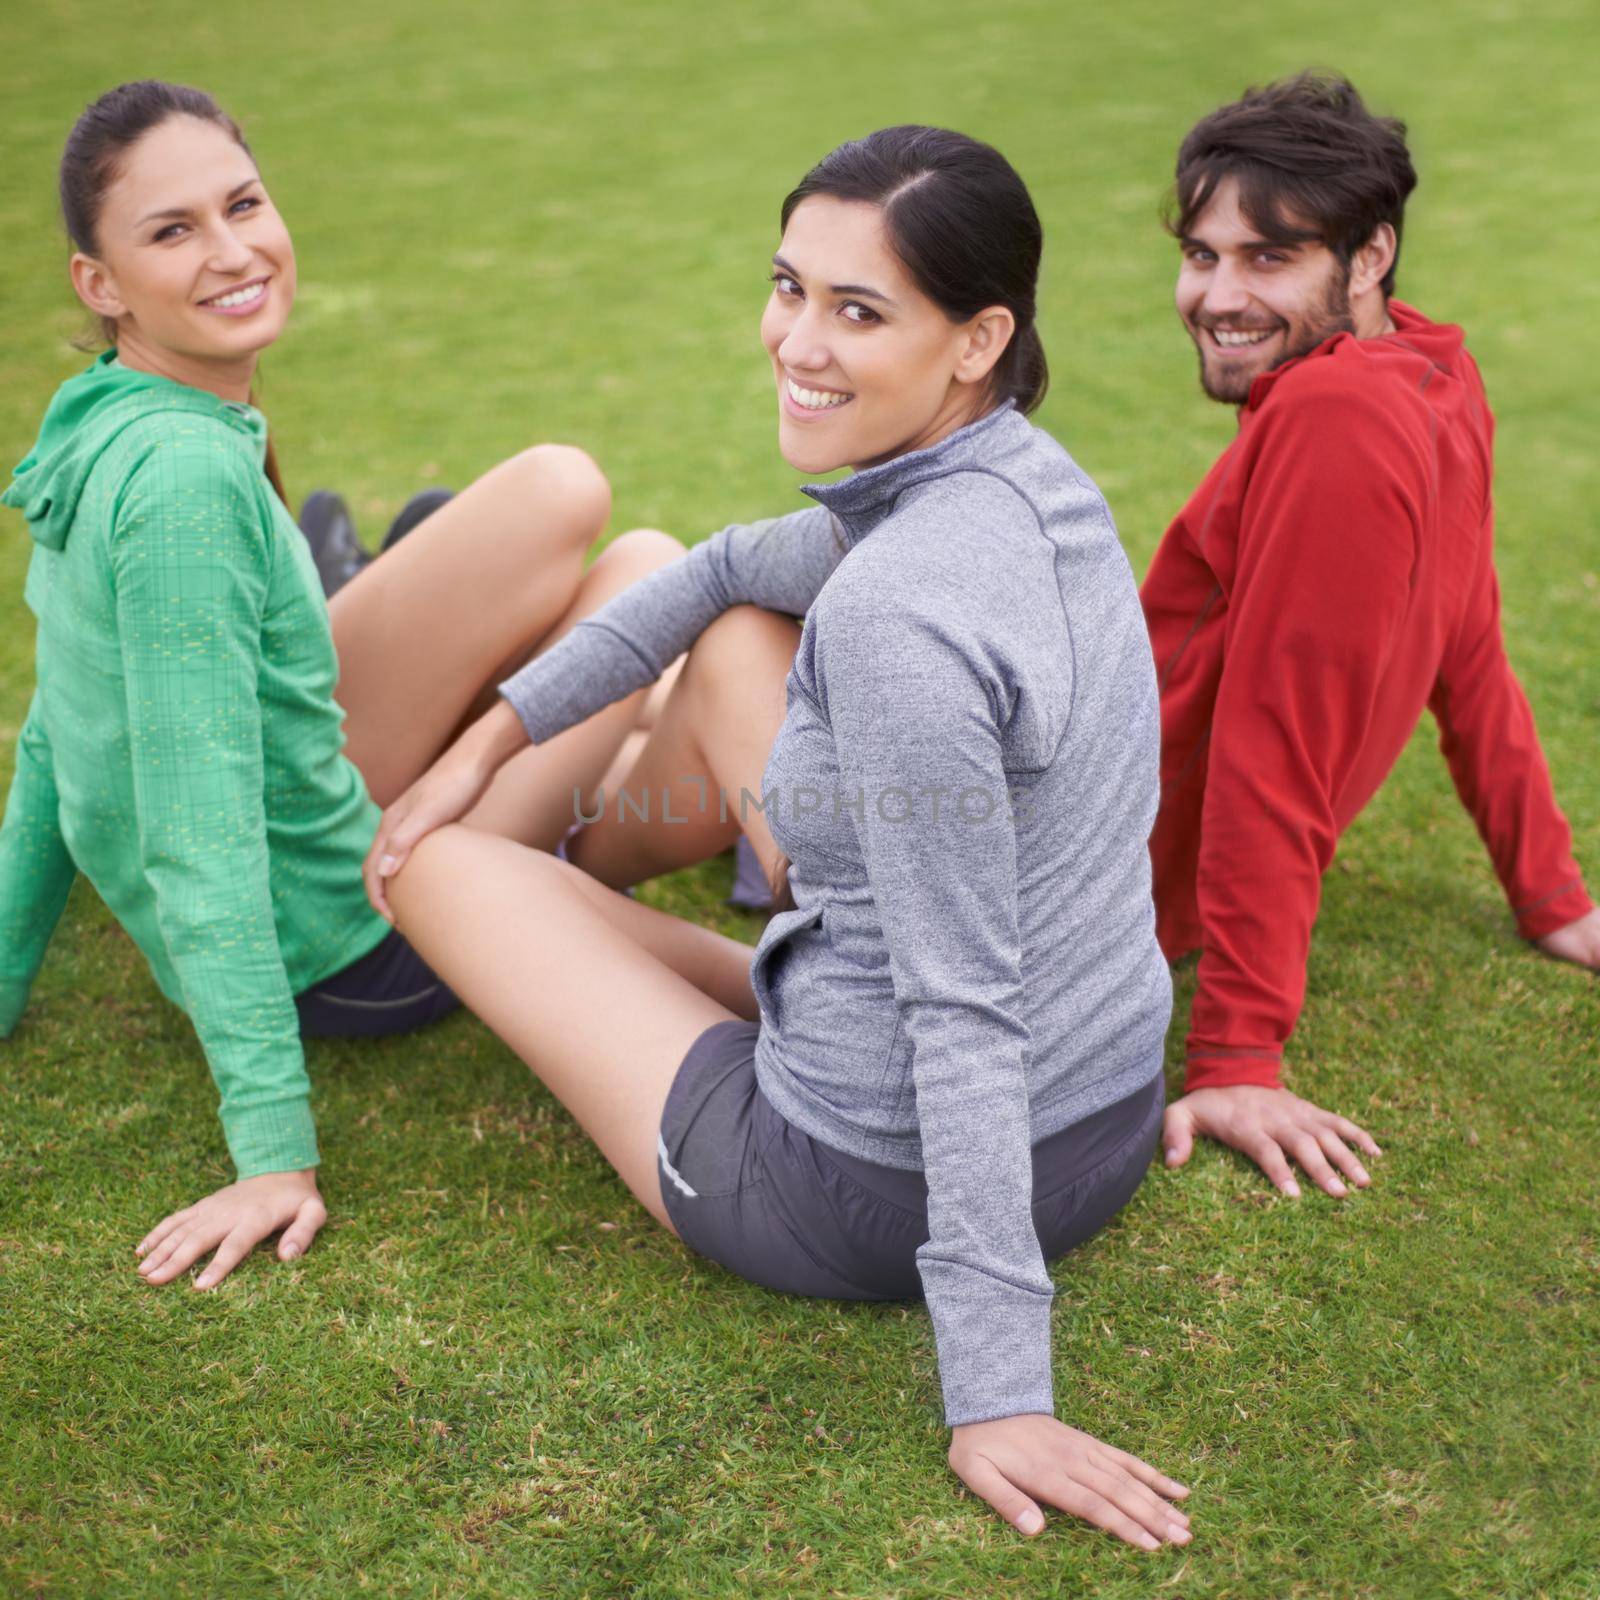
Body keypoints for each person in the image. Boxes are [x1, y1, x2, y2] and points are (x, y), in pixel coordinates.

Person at [365, 126, 1193, 1548]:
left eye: (857, 311)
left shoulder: (897, 619)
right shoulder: (1034, 488)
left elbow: (964, 1004)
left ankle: (517, 881)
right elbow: (734, 567)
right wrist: (492, 739)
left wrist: (999, 1389)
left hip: (858, 1182)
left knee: (433, 862)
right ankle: (565, 862)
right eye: (788, 286)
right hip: (1104, 1108)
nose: (797, 341)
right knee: (721, 636)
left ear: (977, 338)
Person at [0, 80, 687, 1291]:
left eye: (242, 204)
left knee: (569, 497)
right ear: (98, 284)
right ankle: (632, 798)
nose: (231, 251)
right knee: (649, 576)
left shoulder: (106, 416)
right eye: (172, 231)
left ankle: (608, 731)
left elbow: (57, 733)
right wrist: (273, 1150)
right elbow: (197, 836)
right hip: (357, 939)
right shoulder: (181, 487)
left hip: (305, 793)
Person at [1143, 74, 1599, 1199]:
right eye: (1202, 254)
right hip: (1084, 818)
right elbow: (1469, 638)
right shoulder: (1434, 373)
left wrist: (1237, 1053)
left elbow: (1276, 734)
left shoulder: (1333, 414)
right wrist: (1552, 896)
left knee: (733, 627)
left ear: (1369, 255)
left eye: (1267, 257)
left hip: (1044, 859)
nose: (1216, 294)